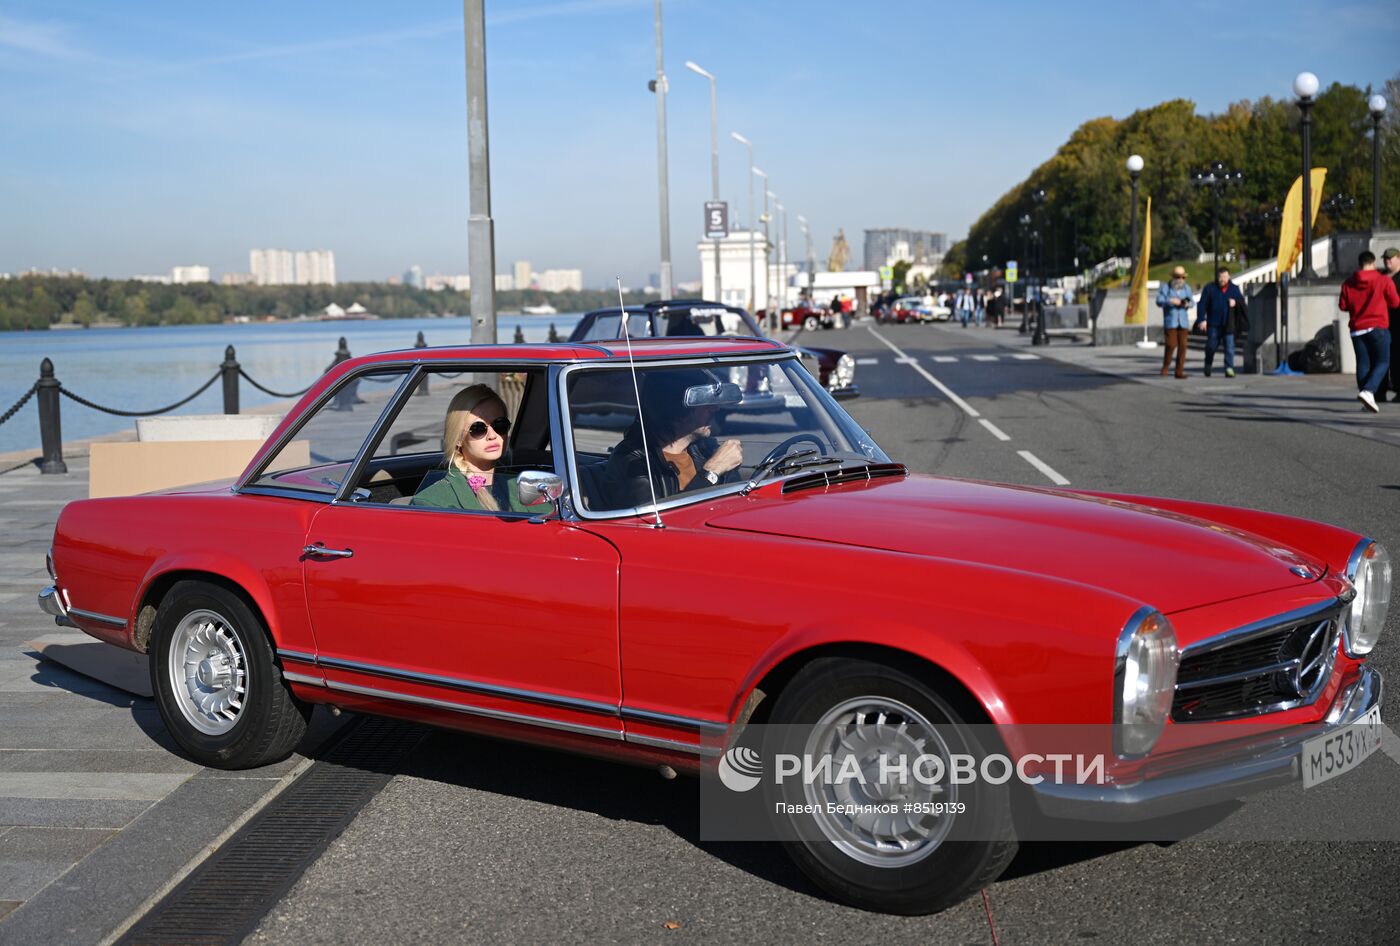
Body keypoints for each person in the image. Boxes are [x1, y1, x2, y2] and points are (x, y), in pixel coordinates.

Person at [605, 370, 744, 508]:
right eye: (704, 401)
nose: (715, 408)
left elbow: (736, 502)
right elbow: (659, 521)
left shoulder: (704, 449)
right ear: (676, 406)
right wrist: (711, 471)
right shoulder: (634, 461)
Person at [412, 384, 532, 511]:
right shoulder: (433, 503)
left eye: (500, 425)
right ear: (458, 438)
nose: (492, 435)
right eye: (478, 428)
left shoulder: (523, 487)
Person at [1338, 250, 1399, 413]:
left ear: (1359, 264)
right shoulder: (1383, 280)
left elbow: (1343, 306)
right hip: (1378, 326)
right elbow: (1395, 302)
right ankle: (1368, 391)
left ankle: (1367, 399)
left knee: (1363, 364)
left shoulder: (1348, 283)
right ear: (1372, 263)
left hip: (1357, 330)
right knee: (1383, 362)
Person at [1195, 266, 1246, 378]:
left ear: (1228, 277)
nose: (1222, 279)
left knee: (1229, 346)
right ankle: (1208, 364)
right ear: (1217, 277)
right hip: (1213, 323)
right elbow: (1202, 305)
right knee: (1211, 346)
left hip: (1229, 324)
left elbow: (1242, 303)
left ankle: (1229, 368)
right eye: (1220, 277)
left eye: (1225, 276)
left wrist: (1235, 303)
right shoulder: (1210, 288)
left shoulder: (1234, 289)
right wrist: (1202, 319)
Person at [1155, 267, 1194, 378]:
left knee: (1183, 346)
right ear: (1173, 277)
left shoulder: (1187, 288)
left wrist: (1186, 304)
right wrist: (1170, 301)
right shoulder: (1166, 287)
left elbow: (1192, 302)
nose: (1180, 279)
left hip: (1183, 322)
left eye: (1182, 277)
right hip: (1171, 321)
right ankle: (1165, 366)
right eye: (1177, 277)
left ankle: (1179, 371)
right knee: (1171, 345)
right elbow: (1159, 301)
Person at [1379, 248, 1400, 402]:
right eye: (1385, 258)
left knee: (1397, 359)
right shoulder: (1381, 277)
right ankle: (1380, 392)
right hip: (1383, 324)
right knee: (1382, 359)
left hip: (1397, 323)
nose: (1387, 261)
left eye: (1390, 258)